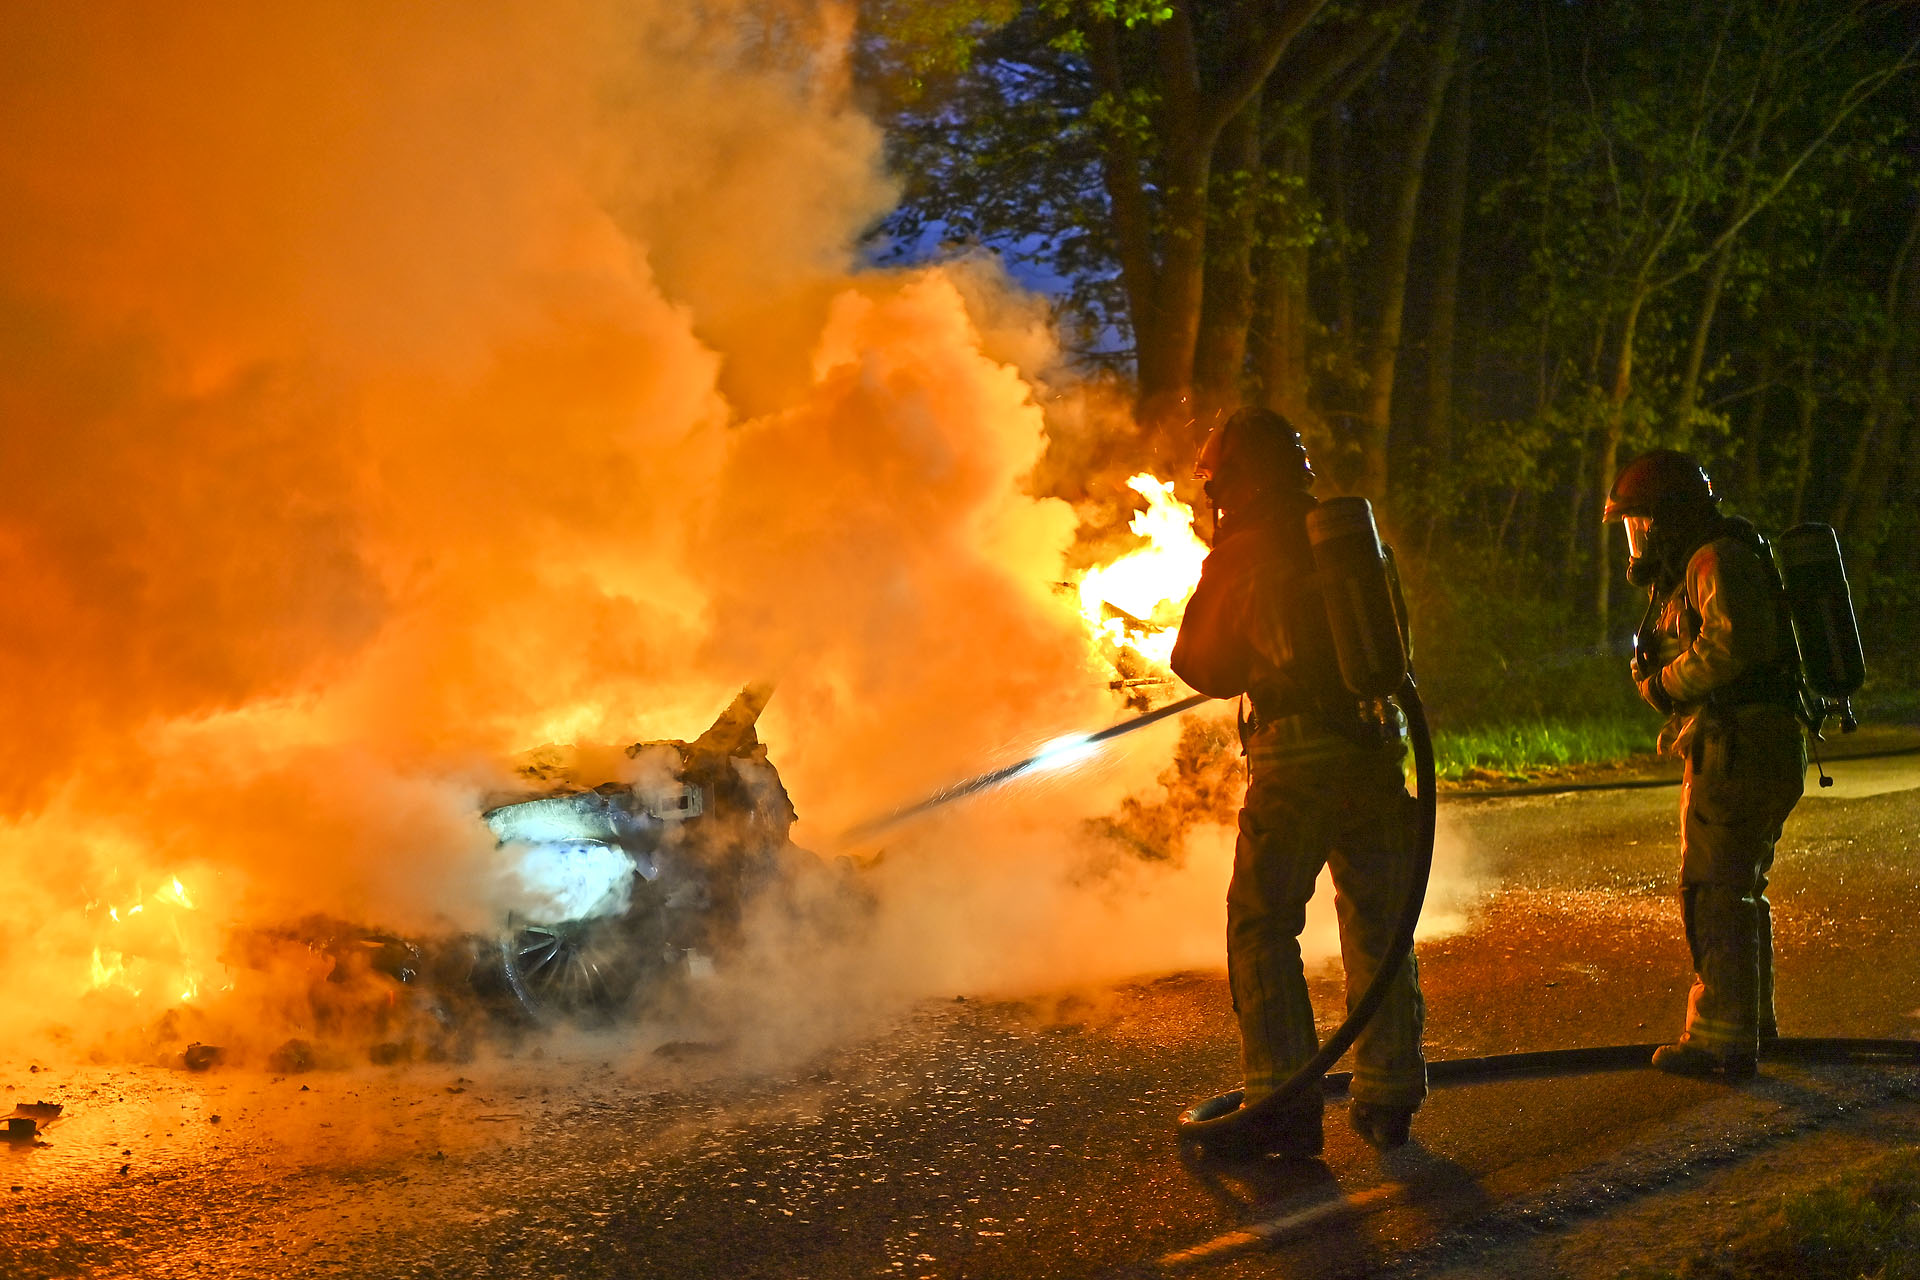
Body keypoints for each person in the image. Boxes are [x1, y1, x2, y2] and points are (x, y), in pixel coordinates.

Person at [1170, 406, 1427, 1154]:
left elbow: (1202, 666)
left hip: (1295, 759)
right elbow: (1397, 651)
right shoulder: (1352, 541)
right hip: (1378, 748)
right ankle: (1390, 1093)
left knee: (1263, 920)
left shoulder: (1243, 552)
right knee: (1382, 922)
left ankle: (1281, 1104)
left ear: (1240, 482)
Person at [1604, 449, 1807, 1077]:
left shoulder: (1714, 559)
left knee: (1716, 891)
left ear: (1668, 518)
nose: (1636, 540)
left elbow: (1735, 643)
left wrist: (1667, 684)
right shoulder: (1709, 559)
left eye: (1640, 523)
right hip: (1747, 742)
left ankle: (1721, 1039)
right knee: (1738, 888)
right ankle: (1750, 1023)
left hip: (1739, 747)